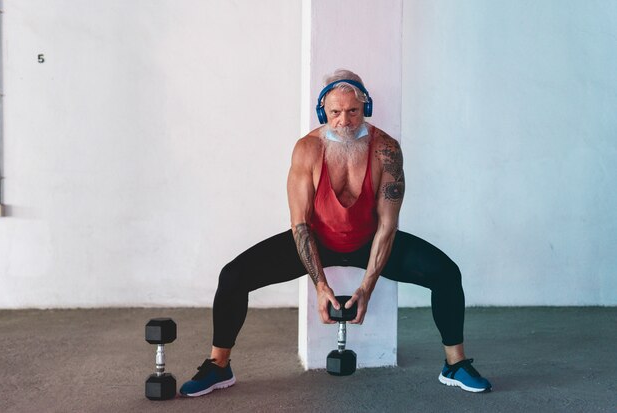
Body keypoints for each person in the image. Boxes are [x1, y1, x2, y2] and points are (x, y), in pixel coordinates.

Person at [179, 69, 492, 397]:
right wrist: (321, 286)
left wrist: (367, 288)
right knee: (233, 275)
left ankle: (454, 364)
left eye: (353, 111)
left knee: (445, 273)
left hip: (369, 240)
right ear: (323, 113)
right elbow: (300, 224)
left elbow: (387, 225)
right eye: (335, 112)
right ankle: (218, 365)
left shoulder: (386, 150)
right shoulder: (307, 149)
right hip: (317, 241)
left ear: (365, 108)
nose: (345, 120)